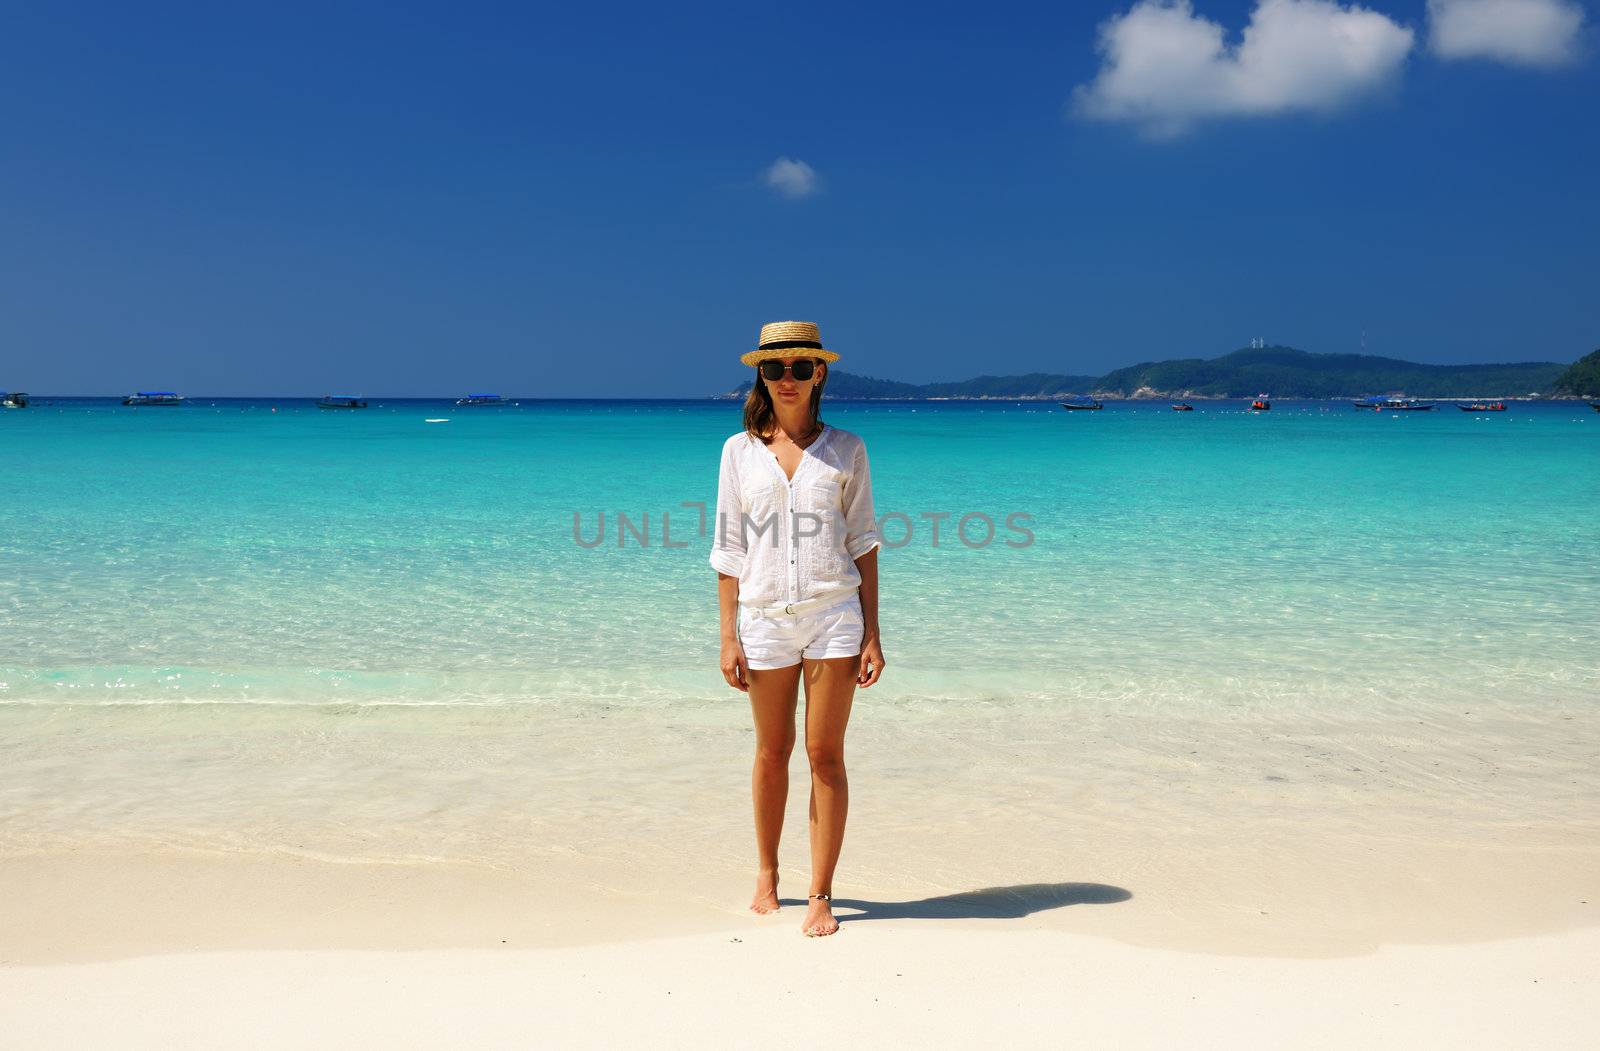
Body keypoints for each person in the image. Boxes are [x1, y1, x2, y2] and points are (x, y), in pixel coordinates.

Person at [710, 320, 885, 938]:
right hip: (762, 621)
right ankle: (766, 874)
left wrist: (873, 633)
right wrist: (728, 635)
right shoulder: (738, 452)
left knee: (824, 755)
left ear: (821, 374)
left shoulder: (847, 450)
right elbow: (729, 551)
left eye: (800, 368)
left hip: (835, 616)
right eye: (774, 369)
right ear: (760, 374)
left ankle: (820, 893)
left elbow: (863, 543)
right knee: (771, 752)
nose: (788, 379)